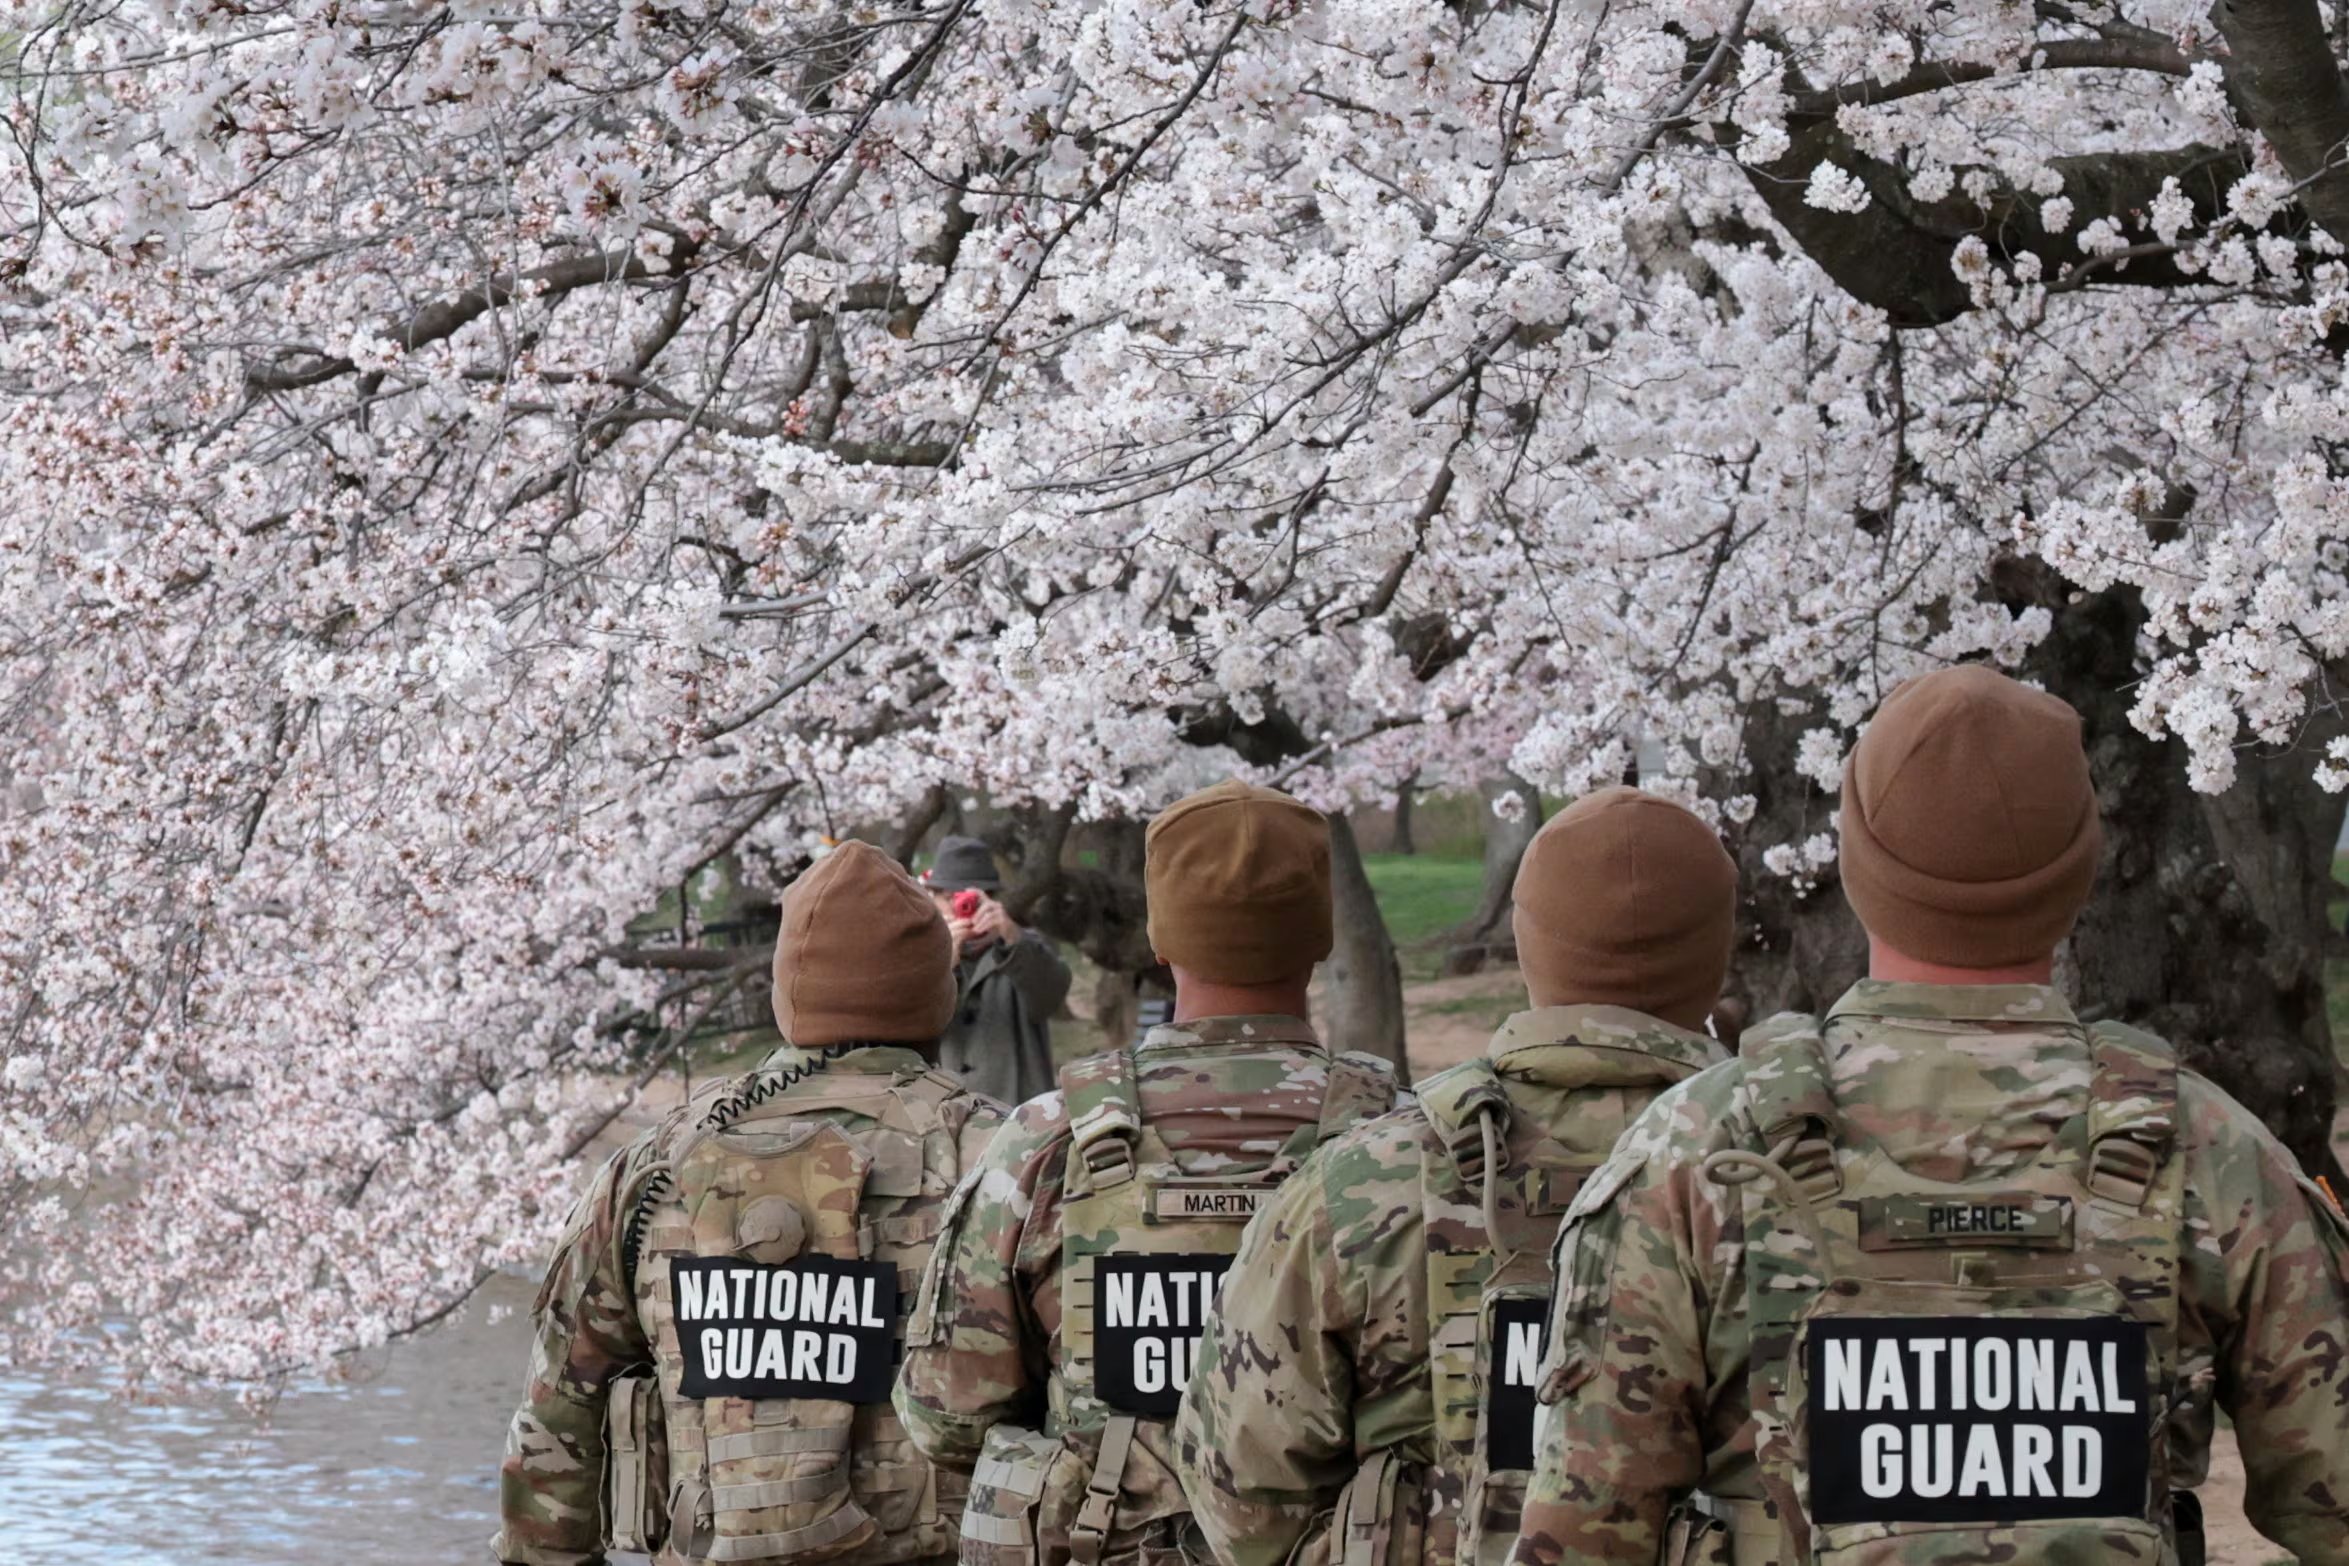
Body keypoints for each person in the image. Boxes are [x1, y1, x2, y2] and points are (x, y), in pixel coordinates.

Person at [1509, 665, 2349, 1566]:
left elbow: (1584, 1536)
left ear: (1857, 863)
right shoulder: (2209, 1146)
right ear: (2078, 873)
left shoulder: (1695, 1150)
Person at [1174, 787, 1740, 1566]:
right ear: (1721, 948)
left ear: (1527, 941)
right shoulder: (1795, 1174)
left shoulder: (1362, 1182)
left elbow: (1239, 1499)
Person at [894, 779, 1403, 1566]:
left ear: (1161, 941)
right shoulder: (1407, 1141)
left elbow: (944, 1416)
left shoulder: (1043, 1140)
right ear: (1320, 938)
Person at [494, 841, 1007, 1566]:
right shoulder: (1004, 1155)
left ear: (788, 990)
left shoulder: (655, 1162)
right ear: (933, 993)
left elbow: (557, 1415)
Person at [924, 835, 1073, 1104]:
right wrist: (944, 961)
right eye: (951, 899)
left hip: (1017, 1115)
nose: (963, 911)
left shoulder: (1024, 948)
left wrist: (1012, 937)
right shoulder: (918, 957)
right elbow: (915, 1022)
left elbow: (1051, 996)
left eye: (972, 901)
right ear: (932, 898)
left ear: (992, 900)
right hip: (942, 1114)